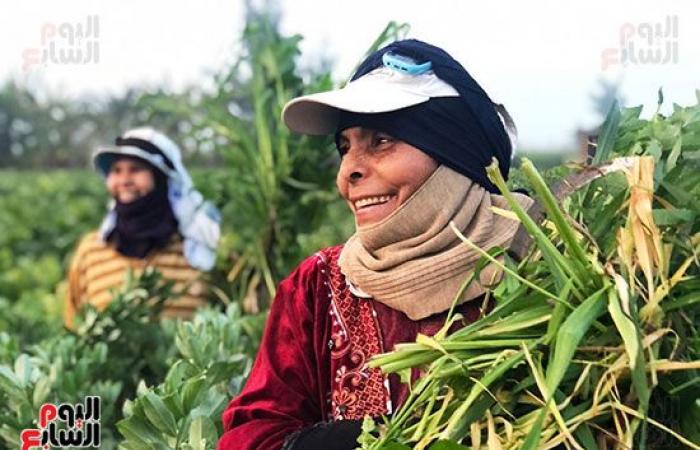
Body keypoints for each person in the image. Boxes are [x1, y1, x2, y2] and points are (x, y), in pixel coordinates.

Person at [218, 39, 532, 450]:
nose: (348, 170)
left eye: (381, 141)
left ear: (453, 150)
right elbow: (252, 431)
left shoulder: (543, 269)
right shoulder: (317, 286)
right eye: (344, 147)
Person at [64, 127, 221, 328]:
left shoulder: (198, 250)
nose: (124, 180)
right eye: (116, 170)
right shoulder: (91, 250)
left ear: (162, 179)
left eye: (136, 169)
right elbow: (74, 324)